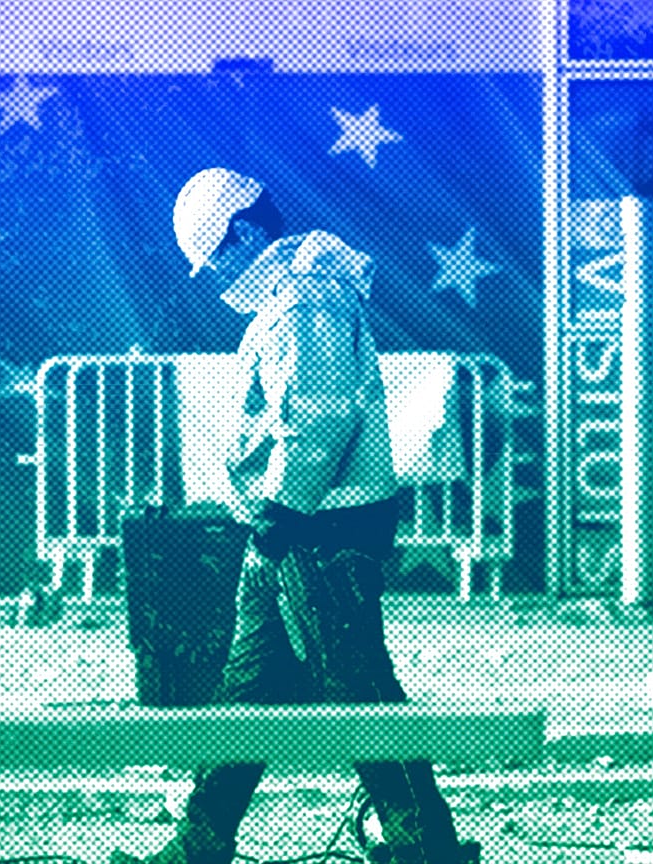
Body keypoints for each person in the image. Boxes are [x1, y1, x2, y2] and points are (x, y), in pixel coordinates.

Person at [111, 168, 475, 864]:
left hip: (313, 526)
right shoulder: (296, 296)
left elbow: (316, 419)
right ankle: (201, 840)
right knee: (250, 685)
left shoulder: (303, 301)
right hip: (297, 523)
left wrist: (280, 516)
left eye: (216, 255)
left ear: (245, 233)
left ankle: (425, 845)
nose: (215, 275)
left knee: (355, 683)